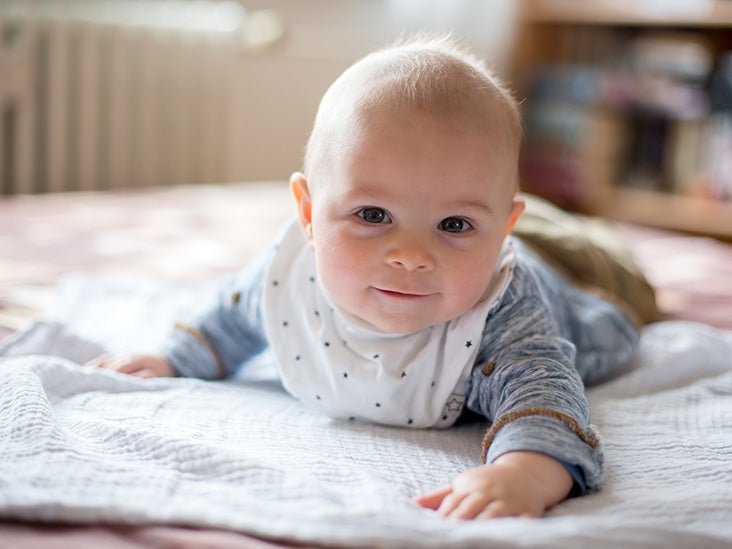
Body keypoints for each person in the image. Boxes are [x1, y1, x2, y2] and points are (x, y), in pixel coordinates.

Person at [91, 35, 645, 520]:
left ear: (501, 232)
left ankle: (571, 246)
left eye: (454, 224)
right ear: (309, 216)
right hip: (503, 232)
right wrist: (174, 356)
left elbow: (544, 392)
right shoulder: (289, 275)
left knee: (618, 302)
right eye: (373, 216)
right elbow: (232, 314)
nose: (410, 256)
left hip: (564, 283)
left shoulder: (504, 311)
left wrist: (525, 471)